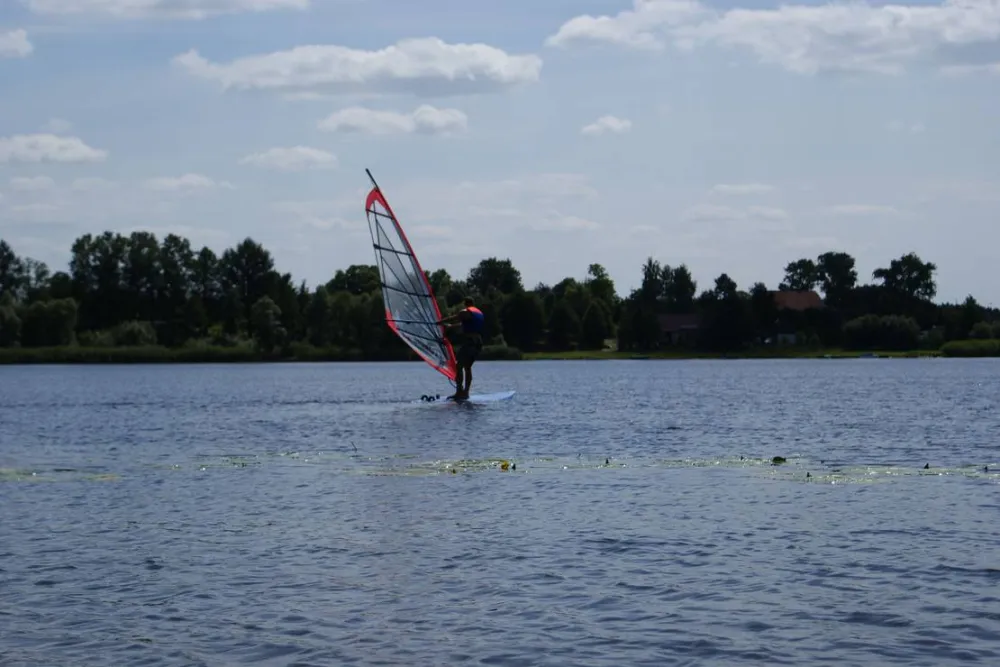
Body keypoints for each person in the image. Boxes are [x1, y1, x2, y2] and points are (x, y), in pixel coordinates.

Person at [439, 297, 484, 400]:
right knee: (467, 367)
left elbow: (455, 317)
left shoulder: (465, 312)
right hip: (478, 342)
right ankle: (466, 392)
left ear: (465, 304)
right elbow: (462, 324)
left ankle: (459, 392)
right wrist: (450, 326)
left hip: (470, 342)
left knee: (459, 366)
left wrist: (440, 322)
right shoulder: (478, 313)